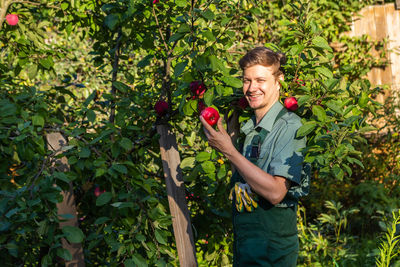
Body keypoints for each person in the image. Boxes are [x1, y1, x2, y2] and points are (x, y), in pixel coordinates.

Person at [199, 46, 310, 266]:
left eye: (260, 80)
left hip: (272, 254)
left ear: (278, 81)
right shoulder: (249, 129)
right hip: (247, 250)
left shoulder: (290, 127)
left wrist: (229, 150)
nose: (251, 88)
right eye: (247, 80)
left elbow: (277, 192)